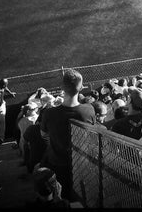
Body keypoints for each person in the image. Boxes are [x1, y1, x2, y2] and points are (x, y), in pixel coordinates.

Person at [40, 68, 96, 201]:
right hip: (82, 165)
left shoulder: (49, 113)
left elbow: (43, 135)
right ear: (81, 88)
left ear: (62, 88)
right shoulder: (89, 110)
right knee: (81, 198)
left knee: (62, 197)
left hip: (58, 165)